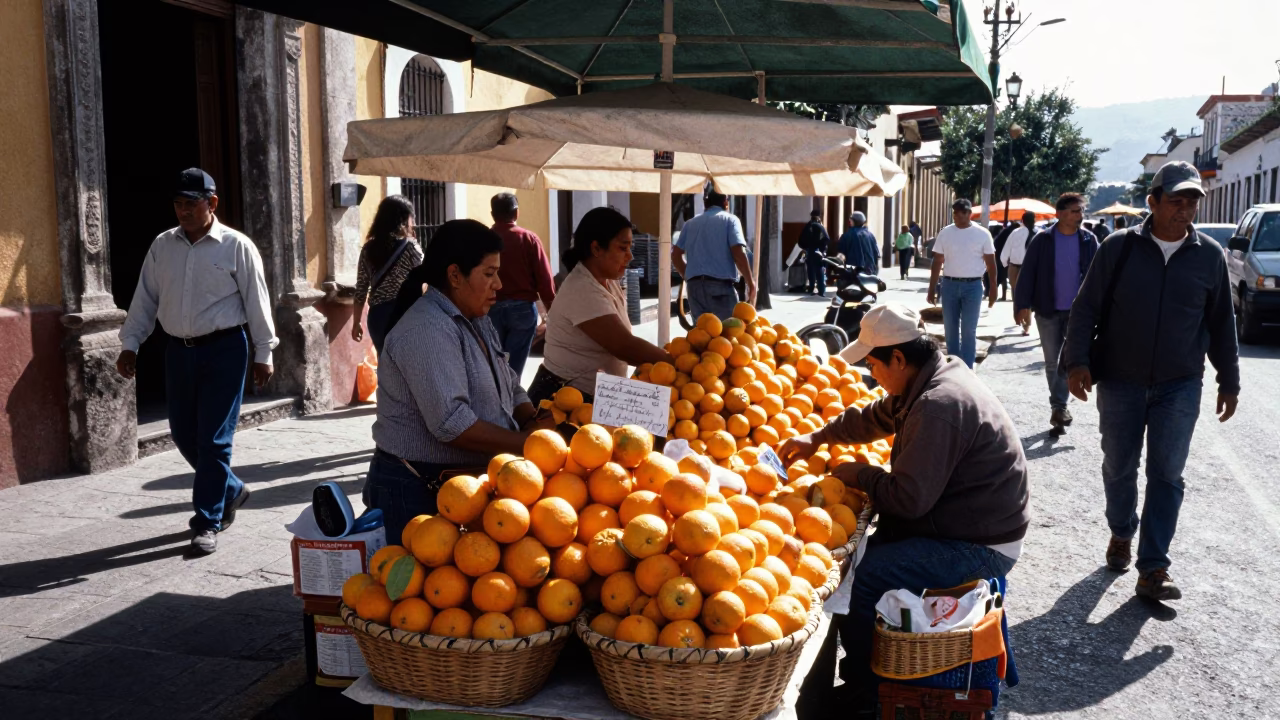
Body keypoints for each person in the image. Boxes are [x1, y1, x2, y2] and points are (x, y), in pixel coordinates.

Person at [778, 304, 1028, 712]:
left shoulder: (938, 404)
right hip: (964, 522)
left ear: (898, 358)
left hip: (982, 545)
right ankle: (865, 676)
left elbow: (909, 501)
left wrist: (861, 475)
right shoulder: (929, 377)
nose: (871, 374)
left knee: (865, 574)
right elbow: (873, 418)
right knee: (869, 555)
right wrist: (818, 437)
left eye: (874, 364)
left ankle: (864, 689)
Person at [1063, 160, 1240, 602]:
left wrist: (1229, 380)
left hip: (1180, 383)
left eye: (1192, 202)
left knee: (1168, 474)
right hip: (1120, 380)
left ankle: (1154, 566)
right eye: (1176, 201)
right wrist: (1076, 362)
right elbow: (1086, 308)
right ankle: (1122, 530)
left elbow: (1221, 323)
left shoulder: (1209, 257)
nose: (1184, 210)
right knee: (1119, 466)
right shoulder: (1119, 248)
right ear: (1153, 202)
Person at [117, 168, 277, 555]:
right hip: (178, 351)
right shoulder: (162, 246)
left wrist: (264, 352)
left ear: (212, 203)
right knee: (183, 433)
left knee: (214, 440)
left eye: (192, 203)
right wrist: (130, 343)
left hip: (226, 349)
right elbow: (145, 299)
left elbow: (257, 300)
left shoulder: (236, 246)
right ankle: (233, 489)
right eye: (178, 203)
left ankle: (207, 521)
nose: (184, 211)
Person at [363, 220, 550, 544]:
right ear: (454, 275)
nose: (499, 284)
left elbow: (509, 382)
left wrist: (531, 419)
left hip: (462, 486)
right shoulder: (426, 329)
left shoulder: (477, 319)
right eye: (489, 274)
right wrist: (529, 446)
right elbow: (452, 423)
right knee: (412, 589)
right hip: (417, 491)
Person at [531, 207, 673, 403]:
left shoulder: (608, 281)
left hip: (595, 398)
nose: (630, 256)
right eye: (623, 248)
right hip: (562, 399)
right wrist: (677, 362)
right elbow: (624, 346)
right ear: (596, 248)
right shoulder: (581, 288)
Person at [1013, 193, 1100, 435]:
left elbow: (1100, 276)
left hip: (1078, 315)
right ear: (1059, 214)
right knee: (1053, 362)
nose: (1079, 216)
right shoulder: (1043, 240)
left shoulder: (1088, 240)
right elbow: (1027, 273)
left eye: (1081, 211)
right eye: (1074, 211)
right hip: (1047, 310)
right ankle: (1059, 407)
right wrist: (1022, 305)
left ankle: (1060, 407)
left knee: (1071, 359)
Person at [485, 193, 557, 376]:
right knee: (513, 368)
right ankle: (511, 400)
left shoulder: (484, 239)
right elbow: (544, 279)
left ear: (493, 214)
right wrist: (552, 311)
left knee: (494, 364)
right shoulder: (528, 238)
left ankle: (497, 399)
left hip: (490, 308)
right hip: (522, 310)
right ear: (516, 213)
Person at [927, 199, 997, 368]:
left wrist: (993, 288)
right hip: (949, 285)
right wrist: (931, 288)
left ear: (969, 213)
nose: (958, 216)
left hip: (972, 286)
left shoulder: (982, 234)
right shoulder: (945, 233)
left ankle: (967, 367)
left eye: (962, 212)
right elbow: (937, 261)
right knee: (950, 329)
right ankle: (953, 365)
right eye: (955, 213)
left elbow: (991, 263)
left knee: (968, 329)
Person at [352, 195, 424, 354]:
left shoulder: (368, 249)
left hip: (377, 317)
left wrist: (356, 322)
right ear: (405, 219)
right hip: (405, 315)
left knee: (385, 368)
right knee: (408, 369)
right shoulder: (410, 247)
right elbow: (427, 278)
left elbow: (361, 289)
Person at [673, 190, 757, 319]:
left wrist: (689, 275)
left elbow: (675, 255)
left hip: (694, 289)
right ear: (725, 202)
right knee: (728, 334)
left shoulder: (690, 224)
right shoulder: (731, 220)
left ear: (706, 203)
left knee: (702, 335)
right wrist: (750, 283)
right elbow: (738, 254)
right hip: (720, 287)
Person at [999, 211, 1036, 335]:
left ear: (1022, 220)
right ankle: (1025, 323)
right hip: (1026, 268)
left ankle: (1020, 320)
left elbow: (1005, 251)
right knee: (1026, 294)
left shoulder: (1017, 233)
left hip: (1015, 267)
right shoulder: (1037, 234)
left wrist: (1005, 265)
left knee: (1018, 294)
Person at [797, 210, 831, 296]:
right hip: (818, 252)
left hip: (809, 251)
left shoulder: (807, 226)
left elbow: (800, 240)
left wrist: (806, 247)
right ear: (819, 216)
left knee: (810, 271)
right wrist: (822, 247)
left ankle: (811, 289)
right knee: (819, 271)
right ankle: (821, 291)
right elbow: (827, 238)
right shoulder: (820, 226)